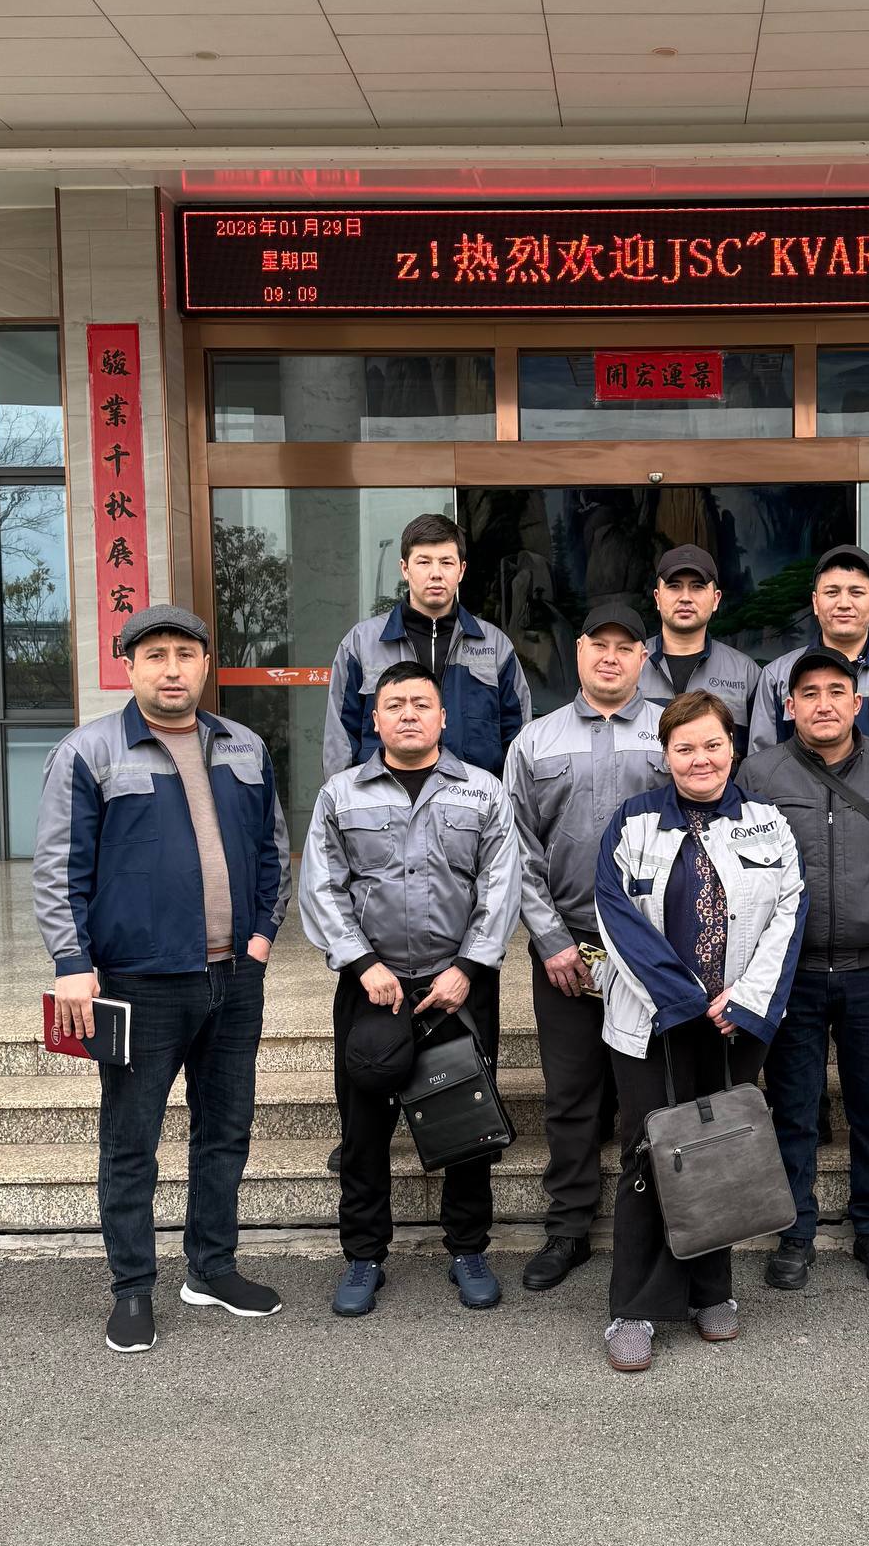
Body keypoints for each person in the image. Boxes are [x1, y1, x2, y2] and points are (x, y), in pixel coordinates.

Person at [34, 603, 292, 1356]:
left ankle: (211, 1268)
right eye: (155, 656)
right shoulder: (89, 752)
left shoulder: (243, 746)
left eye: (185, 654)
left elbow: (273, 852)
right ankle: (132, 1288)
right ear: (129, 667)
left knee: (226, 1131)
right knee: (131, 1140)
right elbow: (59, 869)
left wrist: (261, 938)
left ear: (205, 665)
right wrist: (71, 964)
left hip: (233, 978)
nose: (172, 669)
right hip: (139, 982)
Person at [300, 661, 523, 1318]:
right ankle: (364, 1255)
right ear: (374, 720)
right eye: (394, 704)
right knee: (364, 1129)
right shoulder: (341, 795)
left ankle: (468, 1249)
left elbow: (501, 884)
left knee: (467, 1124)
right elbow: (323, 886)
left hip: (459, 985)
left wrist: (470, 968)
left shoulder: (482, 792)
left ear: (442, 718)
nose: (408, 714)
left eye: (421, 704)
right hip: (373, 986)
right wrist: (362, 963)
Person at [593, 691, 806, 1374]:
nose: (700, 759)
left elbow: (790, 913)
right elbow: (614, 914)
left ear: (732, 749)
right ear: (666, 755)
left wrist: (745, 1000)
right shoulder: (632, 823)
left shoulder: (768, 823)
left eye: (712, 744)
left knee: (721, 1154)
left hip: (736, 1023)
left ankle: (712, 1292)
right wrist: (684, 999)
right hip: (654, 1022)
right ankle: (634, 1308)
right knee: (650, 1153)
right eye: (684, 748)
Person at [738, 647, 869, 1293]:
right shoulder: (759, 773)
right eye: (809, 693)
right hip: (789, 975)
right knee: (793, 1109)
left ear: (857, 703)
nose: (822, 704)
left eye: (835, 692)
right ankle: (795, 1232)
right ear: (788, 705)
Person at [750, 542, 869, 1167]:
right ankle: (801, 1189)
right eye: (832, 591)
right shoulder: (777, 685)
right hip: (799, 934)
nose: (844, 602)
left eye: (856, 591)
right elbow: (759, 783)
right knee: (795, 1097)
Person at [503, 596, 666, 1294]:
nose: (610, 657)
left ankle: (650, 1221)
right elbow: (516, 850)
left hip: (653, 952)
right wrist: (548, 941)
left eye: (625, 647)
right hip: (568, 946)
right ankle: (568, 1226)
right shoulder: (534, 742)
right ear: (579, 652)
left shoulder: (672, 731)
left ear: (643, 658)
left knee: (645, 1094)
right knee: (570, 1094)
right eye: (599, 644)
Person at [323, 510, 530, 780]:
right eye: (423, 562)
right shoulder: (361, 644)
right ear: (405, 569)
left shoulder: (495, 647)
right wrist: (347, 800)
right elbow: (340, 741)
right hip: (383, 801)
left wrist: (503, 802)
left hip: (472, 801)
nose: (435, 573)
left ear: (461, 570)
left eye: (446, 562)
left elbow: (519, 741)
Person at [636, 543, 758, 732]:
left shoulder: (745, 673)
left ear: (716, 599)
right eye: (674, 586)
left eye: (697, 587)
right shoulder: (629, 664)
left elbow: (763, 747)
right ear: (657, 598)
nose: (685, 597)